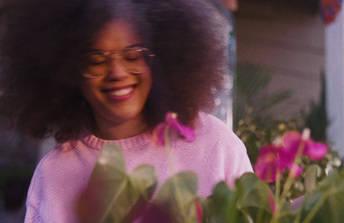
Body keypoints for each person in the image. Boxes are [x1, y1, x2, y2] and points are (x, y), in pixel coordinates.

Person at [0, 0, 253, 222]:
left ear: (163, 58)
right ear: (67, 70)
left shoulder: (216, 145)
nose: (117, 73)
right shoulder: (53, 172)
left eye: (133, 56)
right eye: (96, 60)